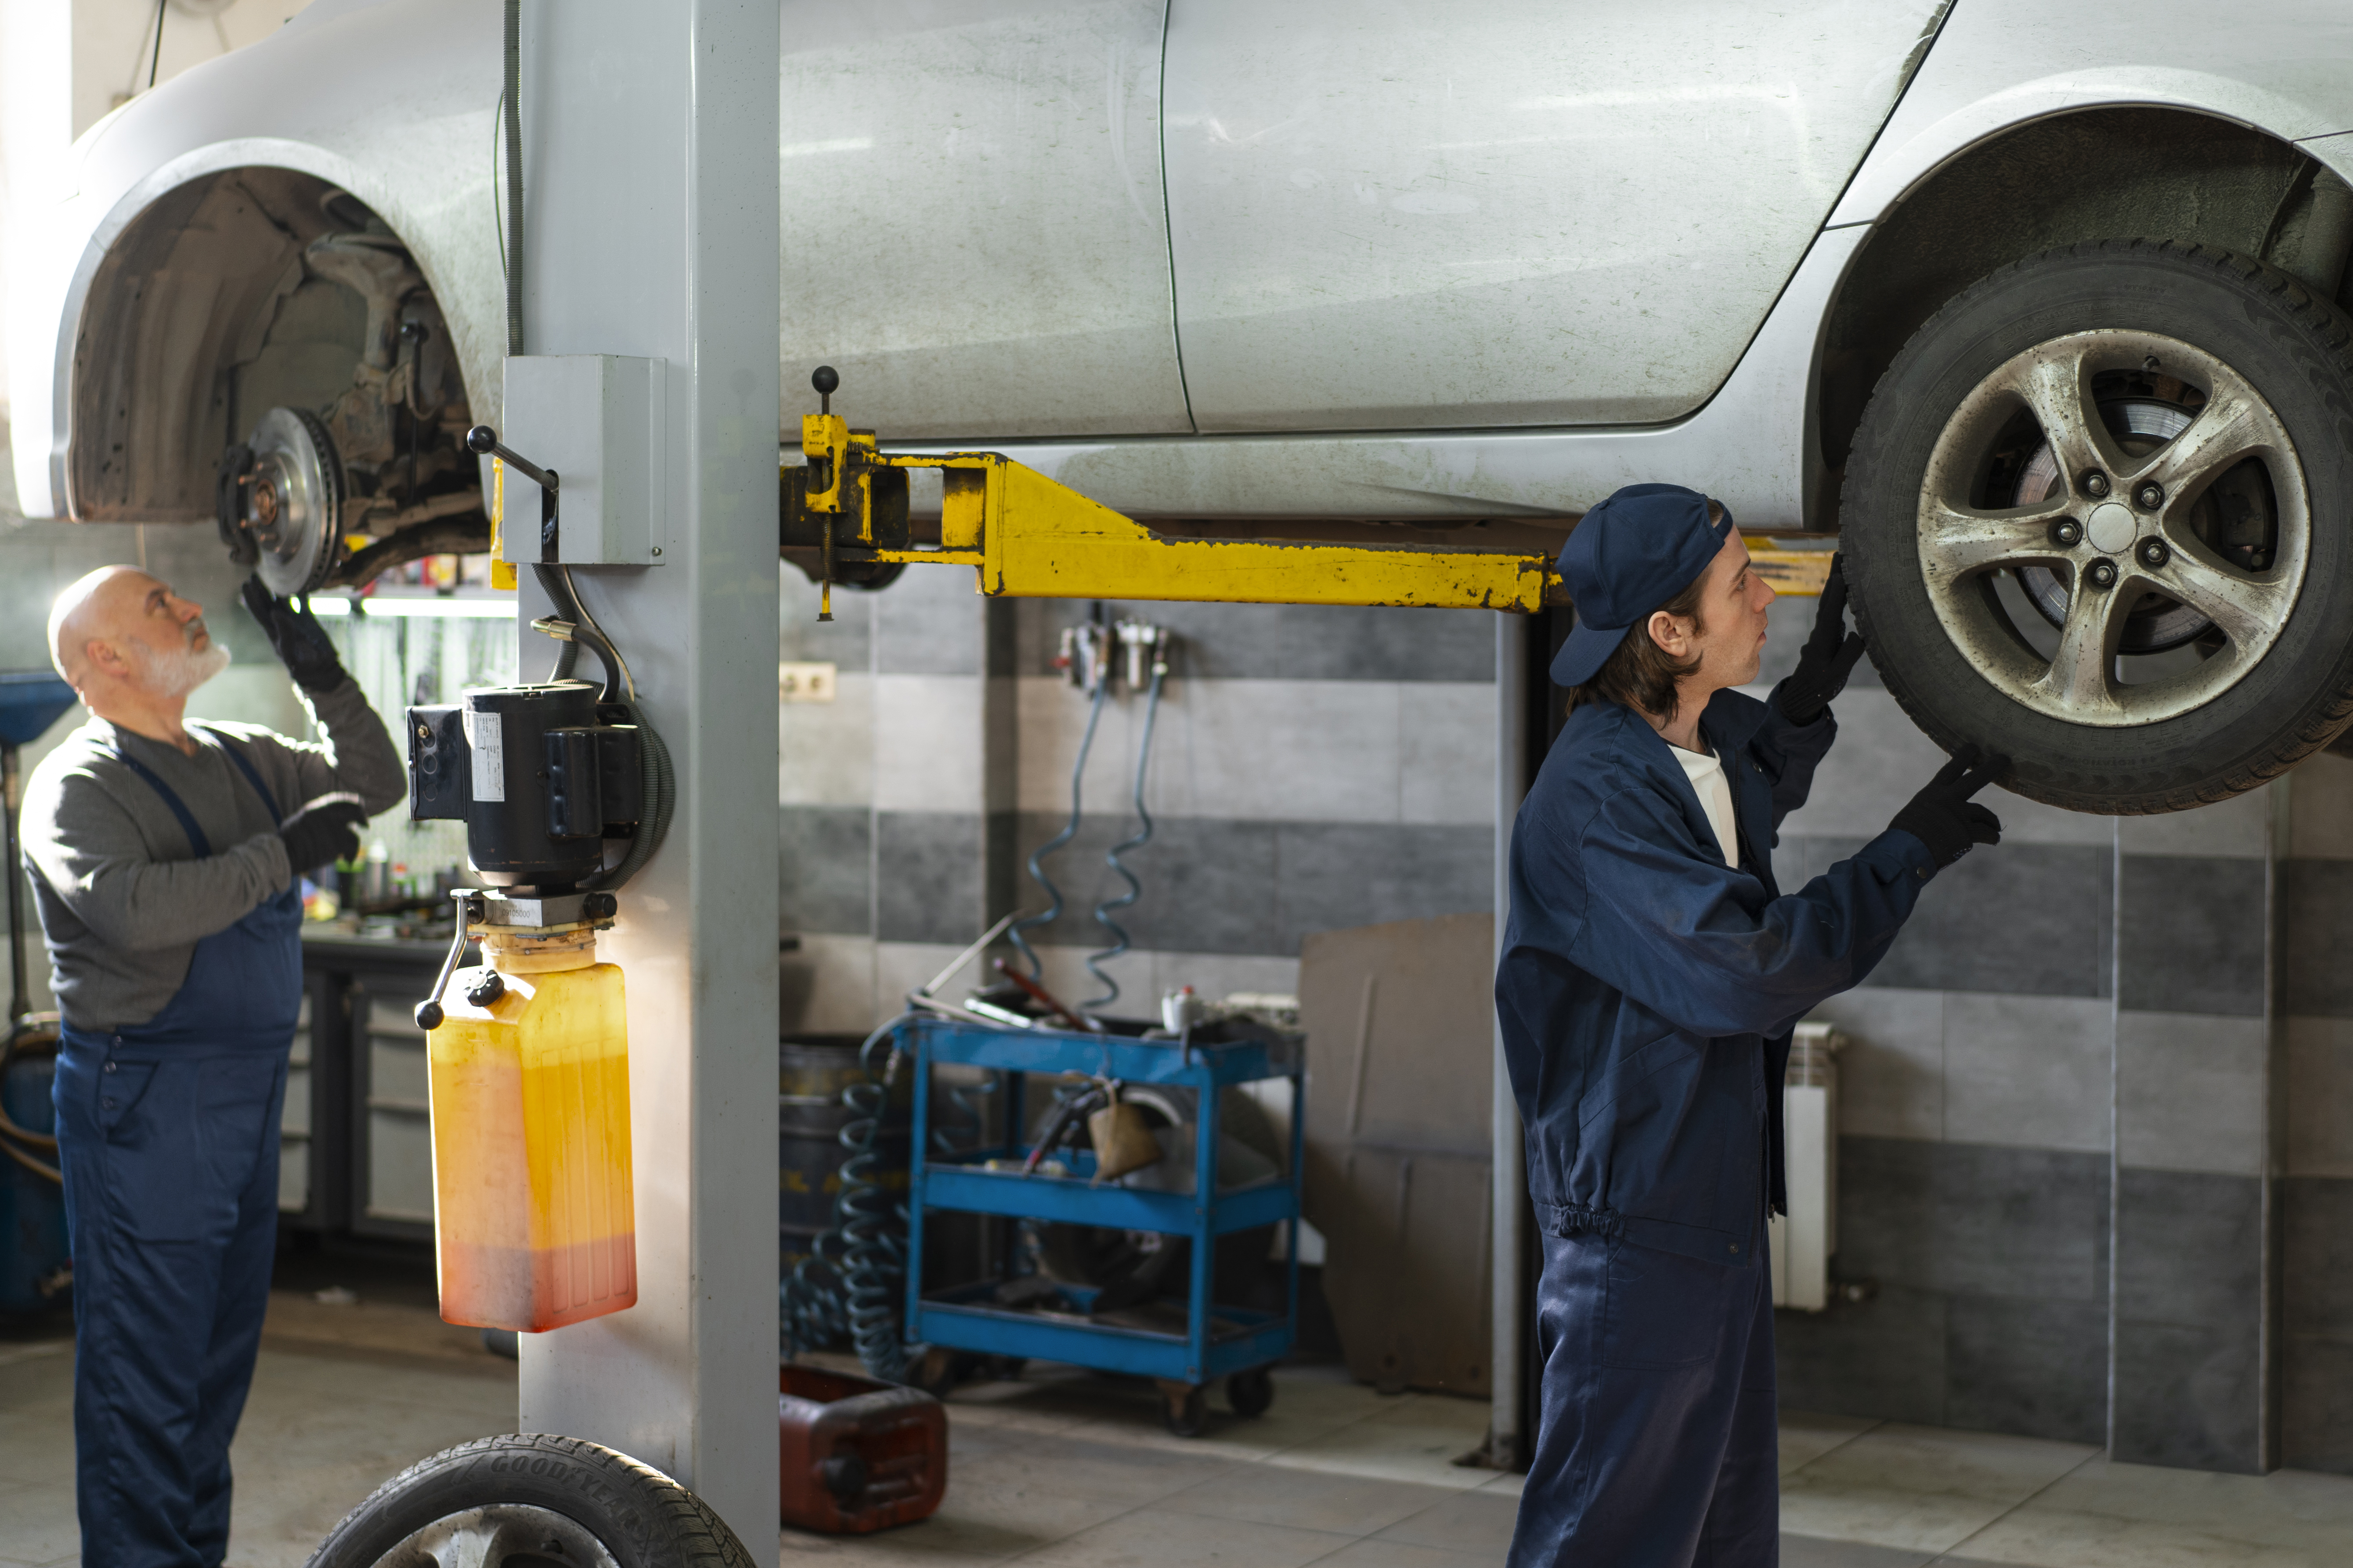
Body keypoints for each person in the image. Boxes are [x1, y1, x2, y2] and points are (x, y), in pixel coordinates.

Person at [1496, 485, 2006, 1568]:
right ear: (1668, 633)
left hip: (1711, 1204)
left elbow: (1752, 778)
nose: (1766, 594)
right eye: (1741, 583)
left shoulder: (1695, 733)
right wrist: (1905, 850)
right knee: (1606, 1539)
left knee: (1724, 1532)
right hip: (1634, 1222)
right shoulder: (1590, 804)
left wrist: (1811, 694)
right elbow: (1752, 967)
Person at [24, 567, 404, 1568]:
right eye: (161, 603)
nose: (190, 608)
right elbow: (140, 912)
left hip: (241, 1092)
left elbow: (377, 785)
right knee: (144, 1384)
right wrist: (283, 856)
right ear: (104, 657)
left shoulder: (238, 756)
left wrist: (319, 670)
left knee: (211, 1375)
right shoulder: (78, 786)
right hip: (146, 1101)